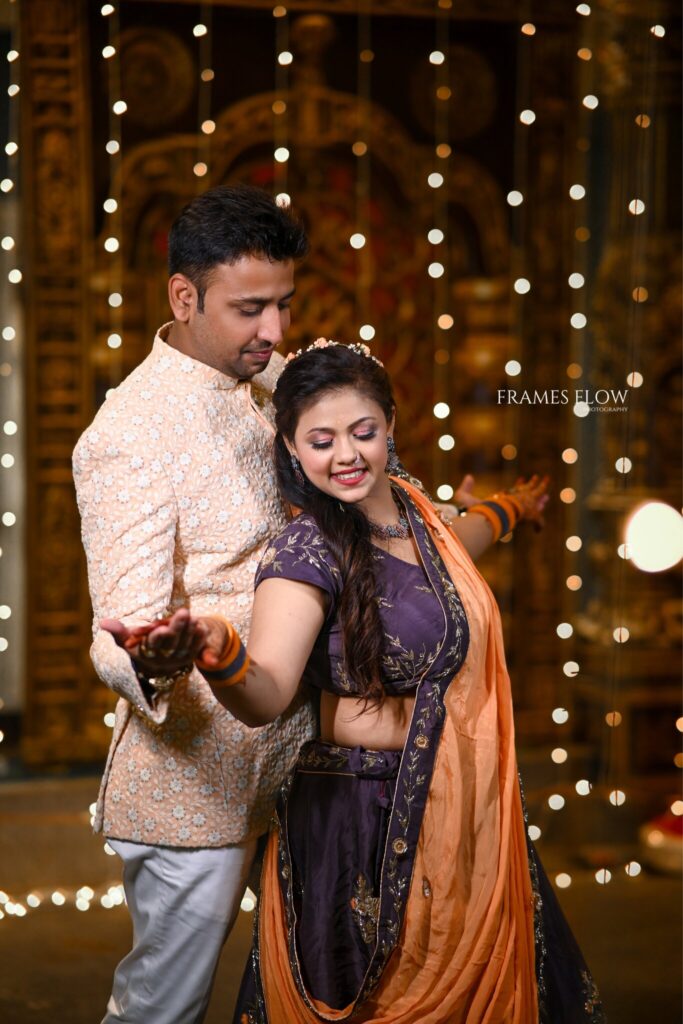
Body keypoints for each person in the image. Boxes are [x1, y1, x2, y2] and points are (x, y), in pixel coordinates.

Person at [133, 340, 602, 1023]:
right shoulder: (305, 552)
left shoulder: (417, 516)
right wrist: (218, 649)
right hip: (363, 821)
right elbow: (264, 694)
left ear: (390, 428)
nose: (346, 455)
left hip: (467, 808)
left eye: (363, 432)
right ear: (292, 450)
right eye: (320, 441)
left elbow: (461, 541)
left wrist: (508, 511)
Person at [72, 184, 317, 1024]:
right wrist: (149, 656)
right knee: (160, 1011)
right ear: (185, 297)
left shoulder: (270, 379)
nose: (275, 331)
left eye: (284, 304)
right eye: (251, 308)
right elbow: (117, 629)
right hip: (193, 784)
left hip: (301, 760)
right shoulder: (127, 437)